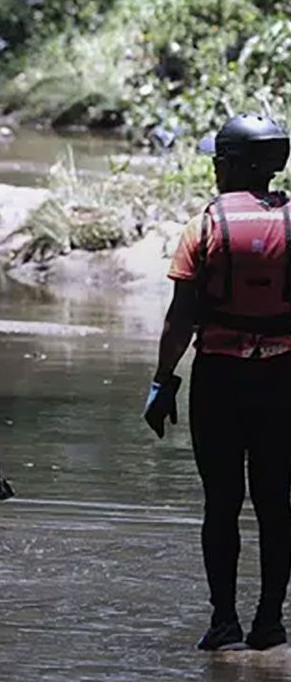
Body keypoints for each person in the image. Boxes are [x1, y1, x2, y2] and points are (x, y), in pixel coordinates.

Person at [145, 113, 291, 652]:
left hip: (219, 383)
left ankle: (224, 622)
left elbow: (180, 319)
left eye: (218, 161)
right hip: (282, 383)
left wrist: (163, 382)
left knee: (221, 503)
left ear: (231, 166)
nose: (213, 169)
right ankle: (270, 623)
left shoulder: (203, 227)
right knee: (276, 502)